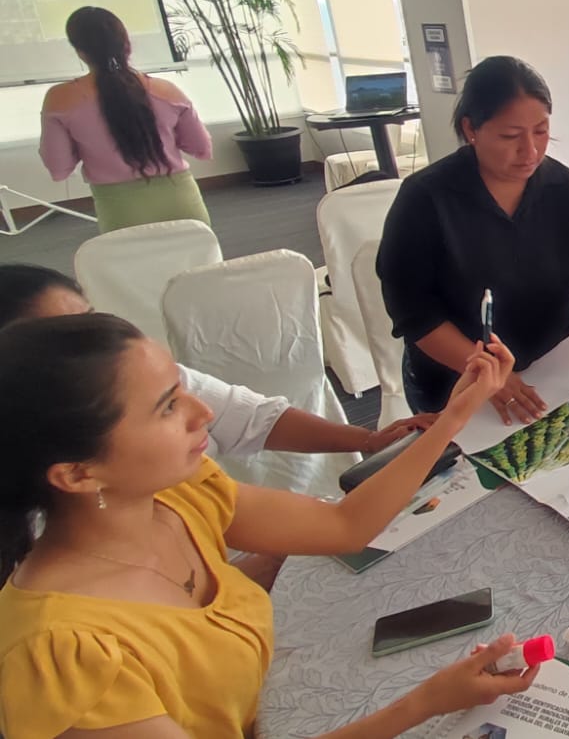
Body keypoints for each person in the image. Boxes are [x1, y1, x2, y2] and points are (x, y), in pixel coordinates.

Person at [0, 312, 531, 737]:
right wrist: (424, 703)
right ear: (76, 473)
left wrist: (455, 415)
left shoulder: (176, 494)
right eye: (166, 407)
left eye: (182, 388)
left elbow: (343, 525)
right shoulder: (61, 652)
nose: (203, 412)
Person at [378, 56, 569, 430]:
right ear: (470, 129)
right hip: (454, 379)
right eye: (510, 136)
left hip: (550, 365)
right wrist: (490, 376)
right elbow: (414, 313)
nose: (531, 151)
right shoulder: (425, 199)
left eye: (541, 131)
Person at [0, 263, 434, 460]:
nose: (202, 414)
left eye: (90, 318)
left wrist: (367, 441)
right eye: (67, 338)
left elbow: (251, 419)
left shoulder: (191, 483)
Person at [39, 7, 214, 233]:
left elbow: (59, 167)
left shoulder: (60, 99)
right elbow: (201, 148)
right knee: (198, 256)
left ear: (80, 51)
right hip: (182, 202)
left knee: (133, 258)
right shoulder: (167, 91)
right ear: (126, 44)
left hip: (120, 209)